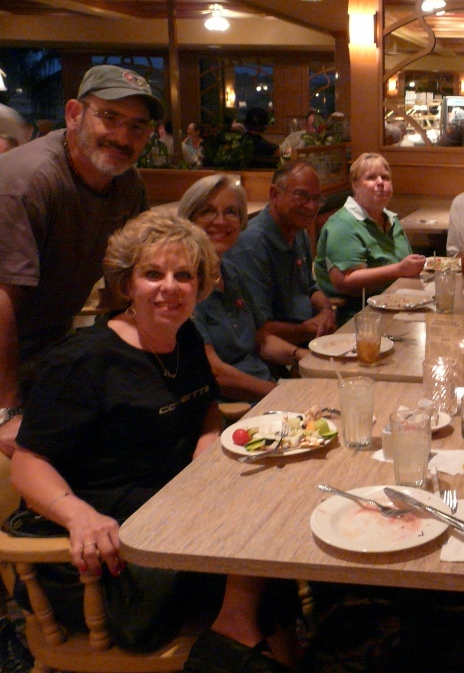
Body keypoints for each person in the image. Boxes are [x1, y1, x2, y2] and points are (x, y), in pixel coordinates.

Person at [9, 211, 295, 670]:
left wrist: (207, 445)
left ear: (200, 287)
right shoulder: (83, 360)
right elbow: (27, 463)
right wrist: (79, 515)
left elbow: (203, 405)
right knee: (261, 546)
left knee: (276, 513)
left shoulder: (184, 338)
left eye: (184, 276)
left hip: (177, 504)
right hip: (112, 530)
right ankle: (238, 633)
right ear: (127, 286)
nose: (170, 287)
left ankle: (240, 633)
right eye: (152, 274)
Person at [0, 64, 155, 457]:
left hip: (49, 344)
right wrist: (6, 409)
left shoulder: (127, 182)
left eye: (137, 127)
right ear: (73, 114)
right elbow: (2, 299)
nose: (122, 137)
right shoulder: (29, 181)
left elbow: (129, 275)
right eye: (109, 117)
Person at [179, 175, 309, 401]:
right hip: (233, 407)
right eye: (208, 211)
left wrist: (304, 356)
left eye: (231, 212)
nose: (220, 221)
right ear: (189, 219)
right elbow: (215, 373)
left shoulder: (229, 270)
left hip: (267, 389)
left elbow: (261, 339)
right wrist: (282, 394)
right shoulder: (184, 285)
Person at [223, 160, 336, 347]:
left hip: (309, 341)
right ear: (274, 194)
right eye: (302, 196)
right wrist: (311, 329)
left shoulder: (299, 233)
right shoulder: (252, 246)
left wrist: (326, 310)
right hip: (280, 353)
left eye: (316, 199)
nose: (311, 206)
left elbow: (309, 289)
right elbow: (260, 329)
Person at [314, 153, 424, 324]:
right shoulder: (343, 225)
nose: (380, 182)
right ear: (355, 185)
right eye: (371, 178)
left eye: (385, 178)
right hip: (362, 316)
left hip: (401, 305)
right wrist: (399, 269)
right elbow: (344, 281)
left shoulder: (391, 219)